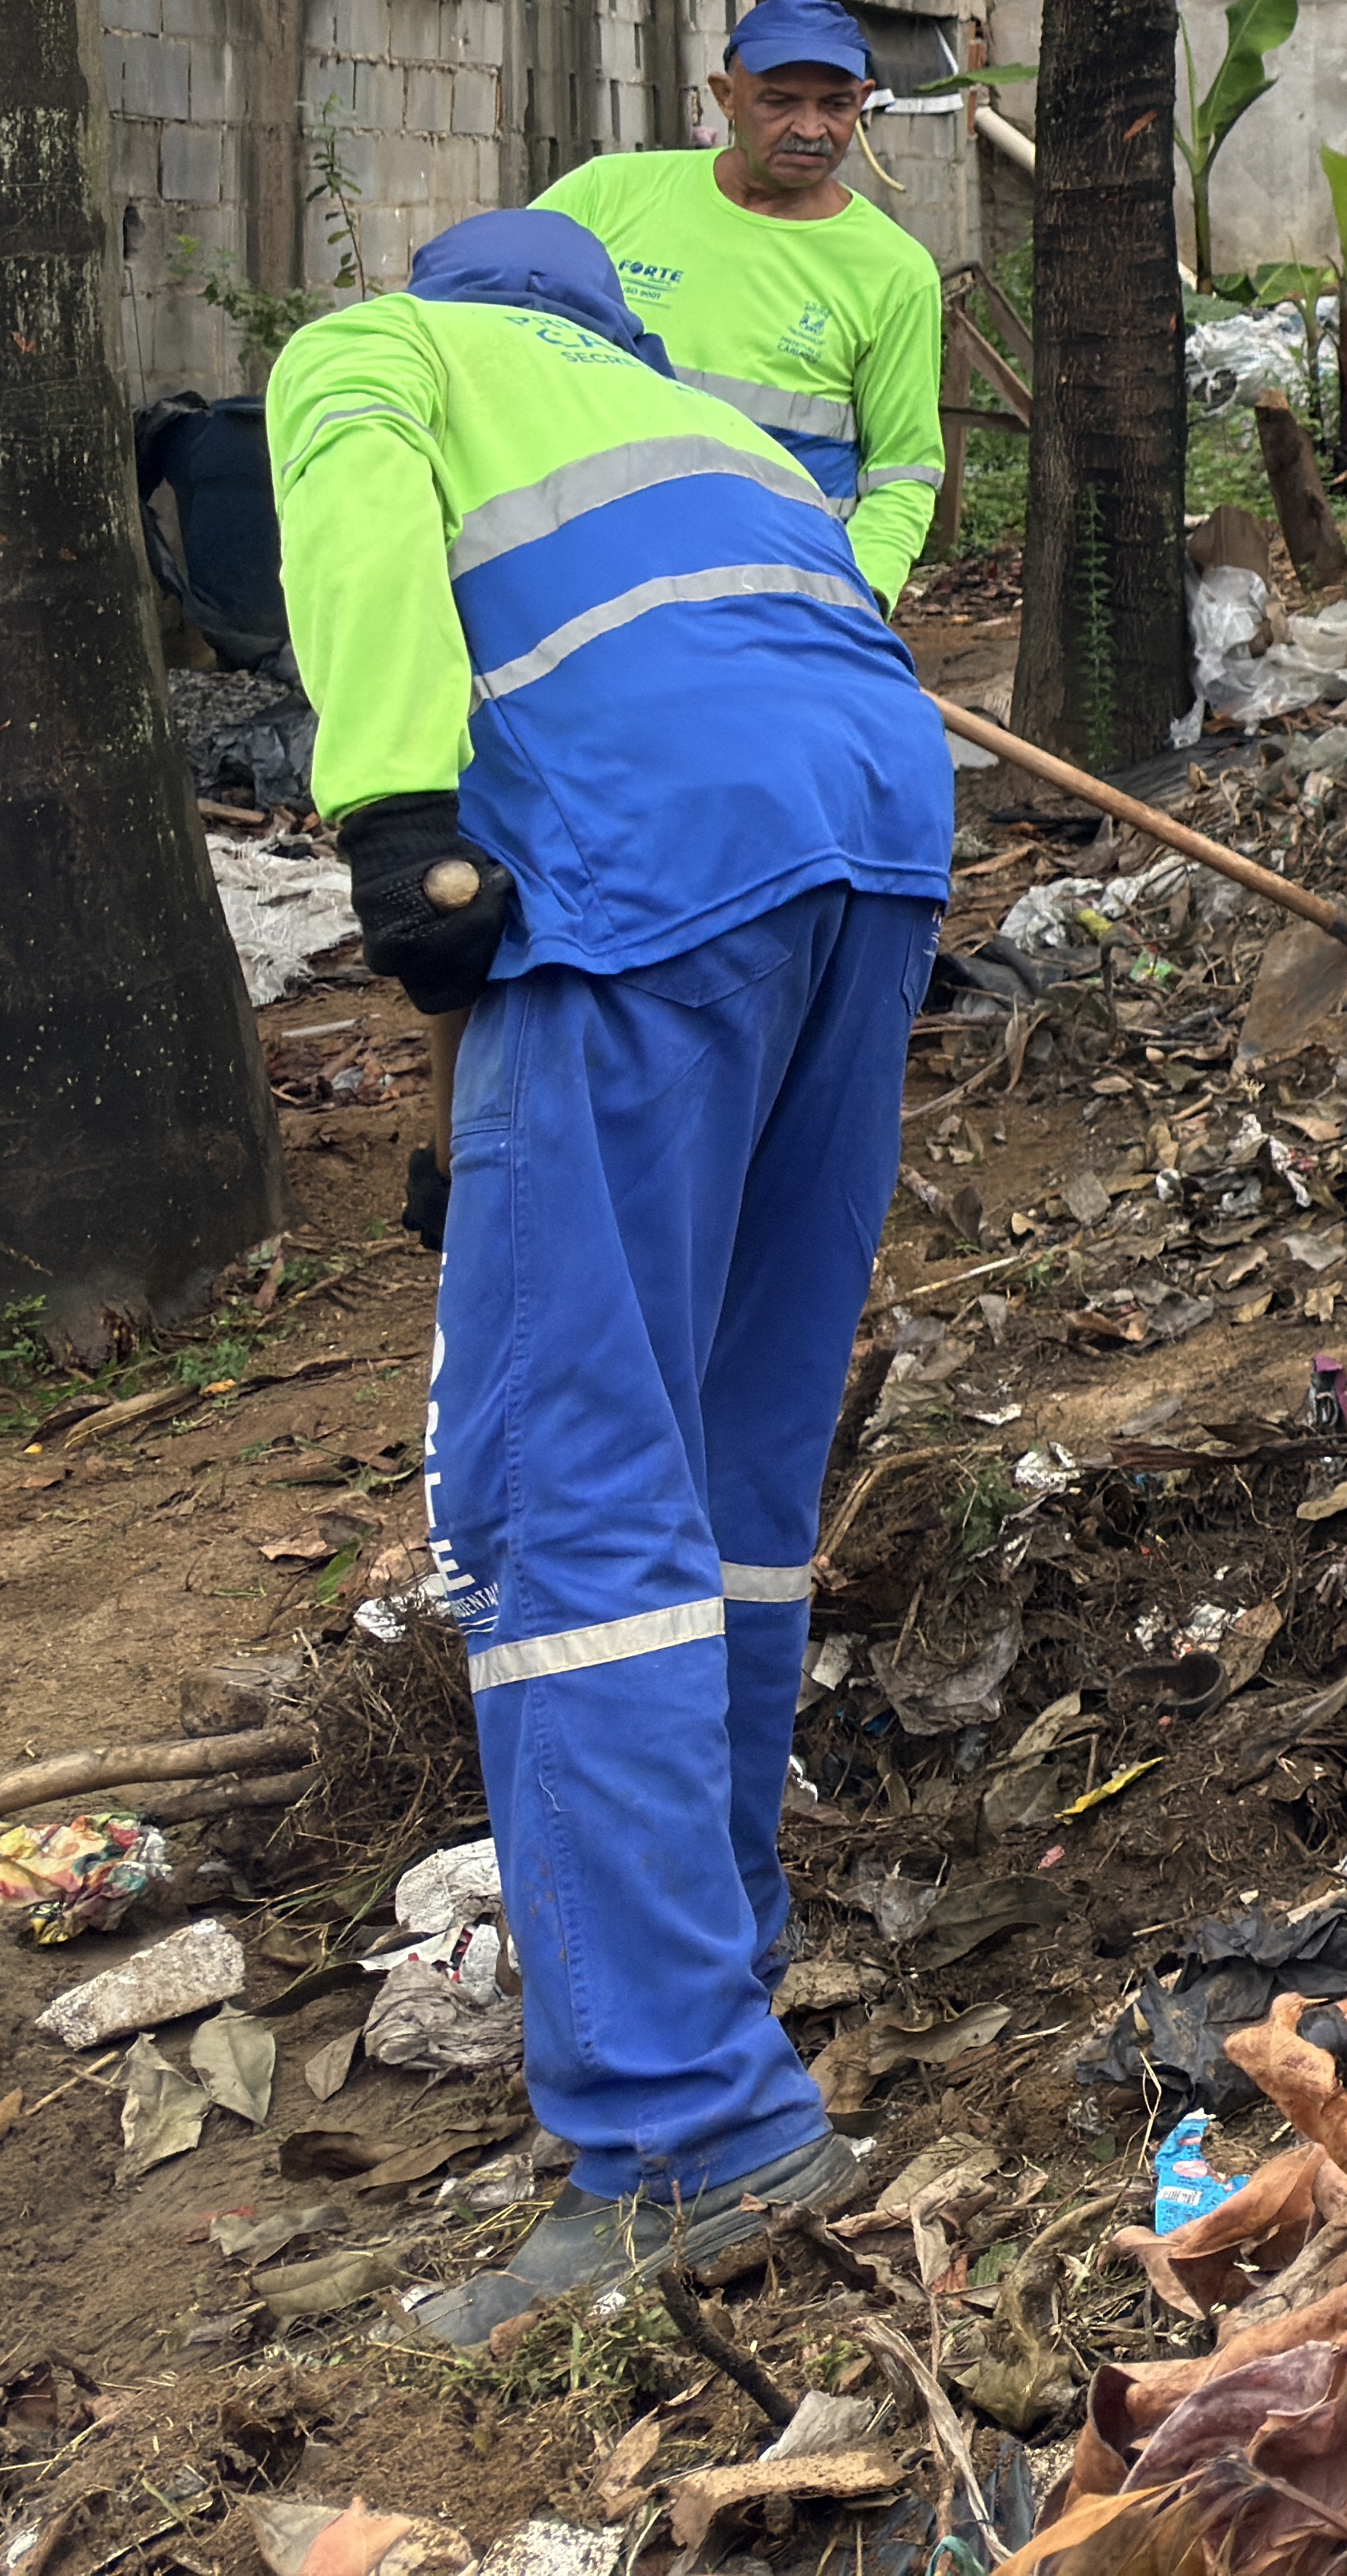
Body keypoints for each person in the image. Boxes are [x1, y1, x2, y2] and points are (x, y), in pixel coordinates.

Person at [268, 213, 951, 2343]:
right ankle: (711, 1964)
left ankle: (685, 2130)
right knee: (731, 1458)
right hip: (872, 858)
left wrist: (399, 816)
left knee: (563, 1495)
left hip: (639, 875)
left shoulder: (383, 350)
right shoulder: (704, 423)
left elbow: (360, 535)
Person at [543, 0, 949, 597]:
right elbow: (486, 334)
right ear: (726, 96)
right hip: (590, 583)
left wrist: (852, 610)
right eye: (779, 102)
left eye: (836, 105)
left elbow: (901, 473)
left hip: (773, 603)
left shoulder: (895, 272)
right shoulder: (606, 196)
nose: (810, 129)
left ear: (864, 100)